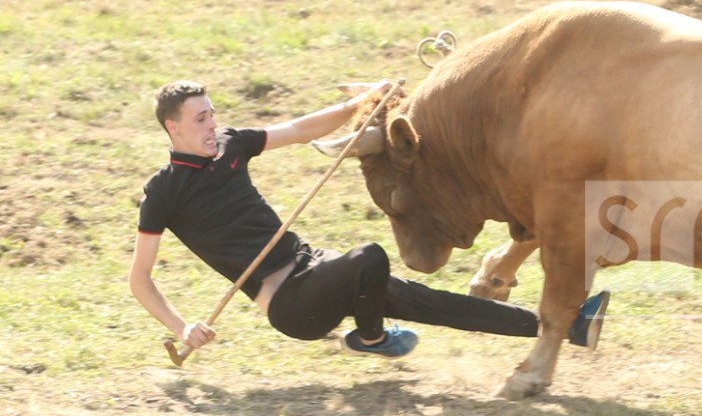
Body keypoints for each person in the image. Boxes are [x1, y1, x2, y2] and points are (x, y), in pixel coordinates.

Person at [131, 80, 608, 360]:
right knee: (371, 257)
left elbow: (299, 130)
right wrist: (181, 327)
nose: (212, 125)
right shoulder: (164, 192)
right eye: (200, 120)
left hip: (315, 267)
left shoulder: (232, 145)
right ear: (173, 128)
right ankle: (372, 337)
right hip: (292, 304)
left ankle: (568, 327)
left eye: (212, 114)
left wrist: (363, 104)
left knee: (434, 303)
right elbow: (140, 279)